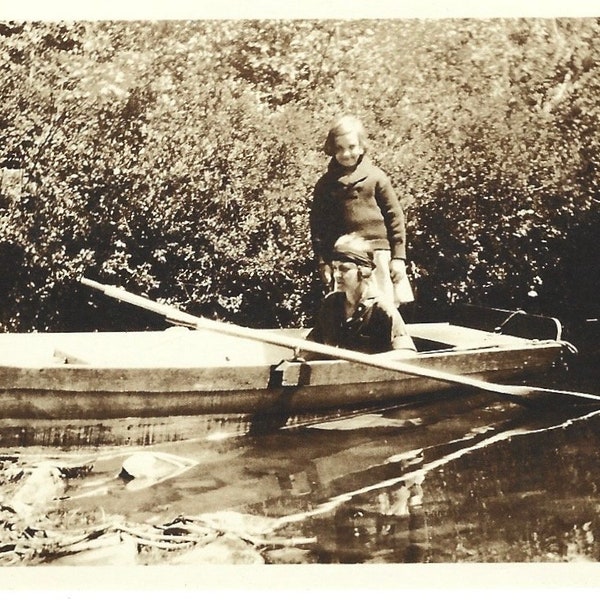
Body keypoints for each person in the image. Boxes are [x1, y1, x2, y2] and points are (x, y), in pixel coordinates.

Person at [310, 115, 413, 306]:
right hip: (345, 257)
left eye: (351, 147)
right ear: (332, 149)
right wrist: (323, 262)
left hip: (377, 254)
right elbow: (318, 226)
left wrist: (398, 257)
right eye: (339, 148)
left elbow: (395, 216)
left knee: (381, 307)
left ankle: (386, 335)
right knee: (346, 307)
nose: (346, 154)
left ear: (362, 146)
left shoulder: (376, 177)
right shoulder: (326, 185)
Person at [300, 233, 417, 360]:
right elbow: (313, 345)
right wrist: (302, 351)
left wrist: (366, 362)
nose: (337, 275)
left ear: (363, 272)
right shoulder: (331, 304)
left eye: (344, 269)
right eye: (335, 268)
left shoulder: (380, 308)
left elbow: (407, 353)